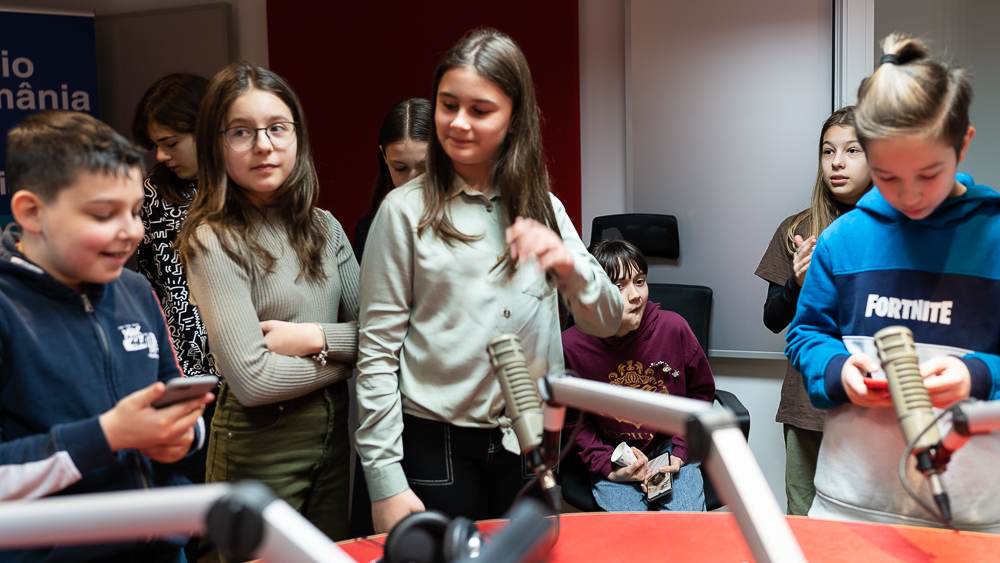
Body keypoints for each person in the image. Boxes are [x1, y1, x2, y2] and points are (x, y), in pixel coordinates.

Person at [355, 28, 623, 533]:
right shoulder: (402, 213)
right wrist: (385, 479)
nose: (458, 122)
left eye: (479, 110)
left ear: (513, 117)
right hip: (439, 445)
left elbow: (608, 322)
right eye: (448, 105)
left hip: (532, 441)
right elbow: (377, 354)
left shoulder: (543, 206)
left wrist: (568, 266)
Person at [786, 33, 1000, 532]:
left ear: (963, 142)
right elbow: (806, 335)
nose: (909, 196)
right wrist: (839, 370)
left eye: (928, 174)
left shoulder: (993, 237)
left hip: (972, 510)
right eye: (887, 176)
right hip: (849, 502)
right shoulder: (843, 239)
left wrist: (977, 375)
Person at [0, 111, 211, 561]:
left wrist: (184, 434)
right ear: (32, 212)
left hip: (162, 549)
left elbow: (174, 392)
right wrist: (107, 435)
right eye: (103, 214)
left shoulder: (135, 290)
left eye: (135, 211)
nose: (130, 231)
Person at [178, 63, 359, 540]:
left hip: (334, 438)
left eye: (277, 128)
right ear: (216, 144)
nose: (263, 145)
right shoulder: (213, 239)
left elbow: (382, 332)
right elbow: (254, 381)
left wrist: (311, 338)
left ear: (297, 136)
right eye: (241, 132)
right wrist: (346, 361)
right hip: (259, 444)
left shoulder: (325, 227)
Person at [755, 106, 872, 515]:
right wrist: (798, 283)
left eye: (852, 150)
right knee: (803, 520)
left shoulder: (896, 230)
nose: (837, 162)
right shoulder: (796, 229)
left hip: (870, 404)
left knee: (866, 526)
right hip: (807, 403)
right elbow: (773, 319)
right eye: (828, 151)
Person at [563, 240, 715, 512]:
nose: (635, 295)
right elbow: (574, 422)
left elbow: (700, 394)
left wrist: (680, 453)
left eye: (640, 281)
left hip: (670, 445)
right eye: (619, 286)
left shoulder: (673, 329)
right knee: (631, 530)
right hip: (615, 454)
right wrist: (608, 465)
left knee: (685, 529)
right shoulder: (571, 346)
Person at [132, 73, 218, 488]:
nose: (162, 155)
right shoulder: (150, 196)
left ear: (206, 130)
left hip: (250, 365)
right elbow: (150, 281)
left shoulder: (246, 190)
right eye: (155, 145)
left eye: (171, 143)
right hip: (183, 373)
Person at [353, 97, 432, 260]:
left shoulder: (473, 215)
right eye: (400, 168)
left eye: (425, 167)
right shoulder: (370, 230)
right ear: (385, 157)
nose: (412, 181)